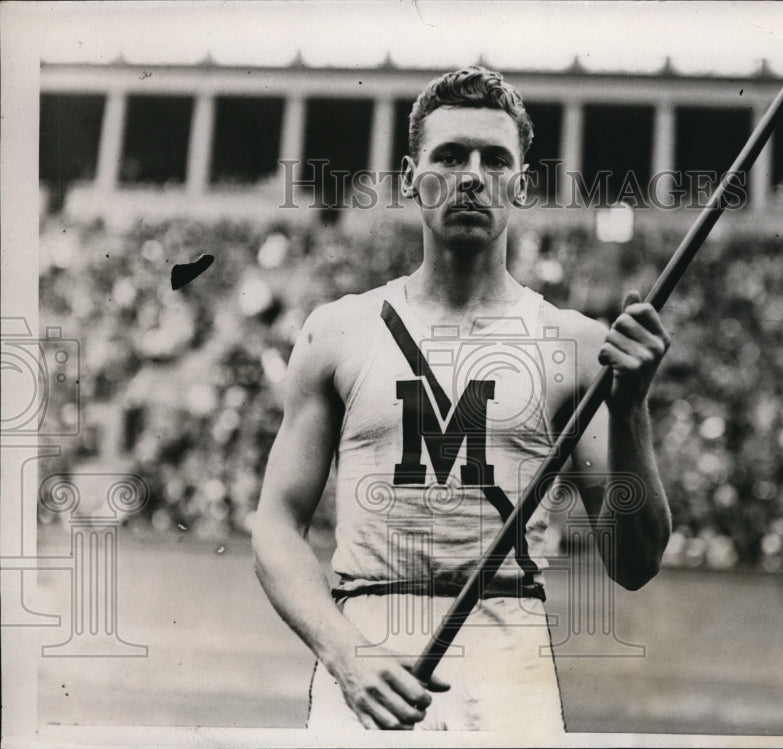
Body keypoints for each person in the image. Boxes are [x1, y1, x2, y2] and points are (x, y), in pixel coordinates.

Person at [252, 66, 672, 734]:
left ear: (521, 185)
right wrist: (346, 654)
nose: (472, 175)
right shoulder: (339, 330)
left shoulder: (574, 342)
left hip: (512, 669)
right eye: (449, 156)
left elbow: (635, 561)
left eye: (495, 159)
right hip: (368, 659)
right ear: (412, 176)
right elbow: (275, 522)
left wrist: (631, 412)